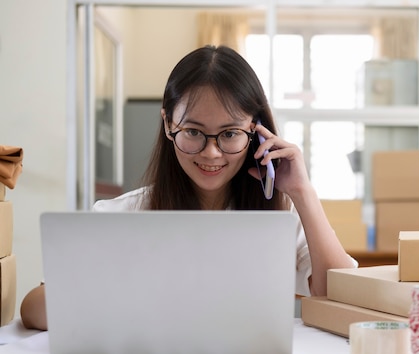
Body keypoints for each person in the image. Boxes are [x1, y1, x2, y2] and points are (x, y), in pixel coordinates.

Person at [20, 45, 357, 331]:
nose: (211, 153)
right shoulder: (126, 213)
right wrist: (122, 286)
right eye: (193, 132)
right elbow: (33, 309)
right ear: (169, 124)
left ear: (255, 132)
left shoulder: (281, 214)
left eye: (229, 134)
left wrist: (303, 193)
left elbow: (342, 297)